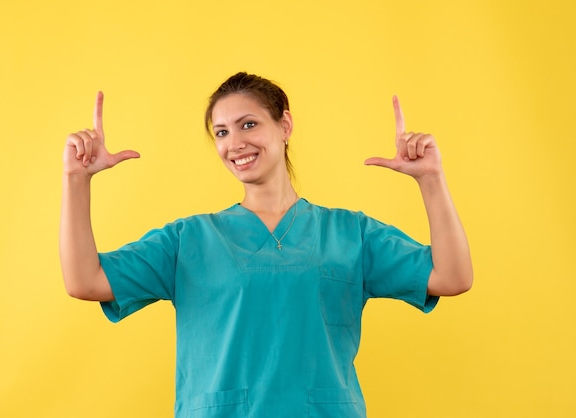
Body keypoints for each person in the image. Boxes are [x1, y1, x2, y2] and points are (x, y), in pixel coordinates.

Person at [60, 72, 473, 417]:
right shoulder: (188, 241)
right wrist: (77, 180)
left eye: (248, 124)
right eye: (221, 132)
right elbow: (86, 280)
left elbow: (452, 276)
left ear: (285, 126)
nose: (234, 143)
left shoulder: (351, 235)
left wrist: (431, 179)